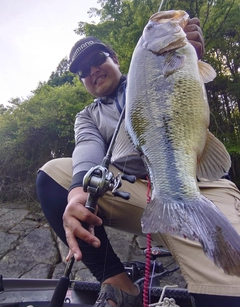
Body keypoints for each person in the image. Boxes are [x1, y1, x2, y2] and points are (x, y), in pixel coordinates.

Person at [36, 17, 240, 307]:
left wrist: (189, 55)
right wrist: (78, 191)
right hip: (137, 194)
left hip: (203, 186)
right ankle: (117, 283)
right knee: (53, 175)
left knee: (227, 292)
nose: (92, 70)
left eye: (97, 59)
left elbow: (185, 85)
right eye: (83, 70)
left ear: (116, 60)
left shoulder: (149, 71)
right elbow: (88, 147)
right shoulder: (88, 116)